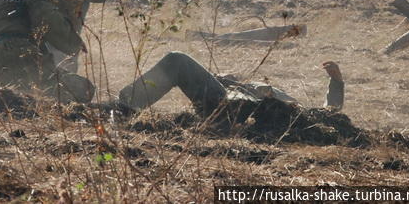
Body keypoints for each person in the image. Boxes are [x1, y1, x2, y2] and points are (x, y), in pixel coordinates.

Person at [118, 51, 344, 115]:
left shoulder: (296, 111)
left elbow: (330, 113)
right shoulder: (248, 86)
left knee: (176, 60)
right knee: (177, 62)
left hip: (234, 107)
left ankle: (125, 106)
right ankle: (127, 104)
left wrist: (336, 82)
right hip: (229, 101)